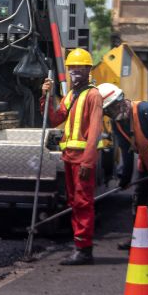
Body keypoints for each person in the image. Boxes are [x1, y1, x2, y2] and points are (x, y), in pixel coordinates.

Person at [41, 48, 104, 266]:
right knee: (74, 202)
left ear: (88, 70)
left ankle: (84, 250)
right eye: (71, 68)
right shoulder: (71, 95)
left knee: (83, 202)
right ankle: (80, 245)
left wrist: (88, 160)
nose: (74, 71)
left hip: (82, 160)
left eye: (79, 68)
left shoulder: (93, 95)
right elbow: (55, 118)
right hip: (69, 157)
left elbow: (95, 130)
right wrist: (46, 97)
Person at [98, 83, 148, 251]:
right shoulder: (117, 123)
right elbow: (126, 151)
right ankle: (136, 237)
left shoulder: (145, 110)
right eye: (107, 112)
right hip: (146, 162)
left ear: (119, 102)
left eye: (110, 109)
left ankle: (146, 240)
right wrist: (125, 177)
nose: (110, 114)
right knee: (138, 200)